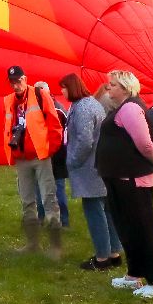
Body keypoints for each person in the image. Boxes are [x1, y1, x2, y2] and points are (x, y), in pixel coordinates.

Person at [95, 70, 153, 299]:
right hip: (120, 178)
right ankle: (134, 274)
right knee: (128, 228)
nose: (108, 88)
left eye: (113, 84)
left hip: (133, 179)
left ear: (125, 88)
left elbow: (144, 143)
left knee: (143, 229)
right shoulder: (121, 108)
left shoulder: (130, 108)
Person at [60, 73, 121, 270]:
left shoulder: (83, 108)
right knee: (107, 211)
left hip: (89, 168)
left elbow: (85, 140)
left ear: (72, 87)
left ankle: (102, 258)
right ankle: (114, 253)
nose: (62, 91)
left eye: (64, 87)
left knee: (95, 212)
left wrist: (72, 160)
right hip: (100, 165)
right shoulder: (90, 104)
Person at [2, 64, 64, 259]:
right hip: (21, 158)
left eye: (18, 81)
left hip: (40, 157)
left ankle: (55, 247)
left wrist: (49, 150)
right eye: (12, 82)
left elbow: (54, 124)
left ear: (25, 79)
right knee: (27, 200)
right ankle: (32, 244)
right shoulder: (9, 100)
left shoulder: (39, 94)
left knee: (48, 198)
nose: (16, 85)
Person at [44, 82, 71, 228]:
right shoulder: (37, 108)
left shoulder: (58, 110)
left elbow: (65, 133)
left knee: (58, 188)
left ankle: (63, 220)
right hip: (47, 153)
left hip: (57, 155)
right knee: (43, 188)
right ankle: (44, 218)